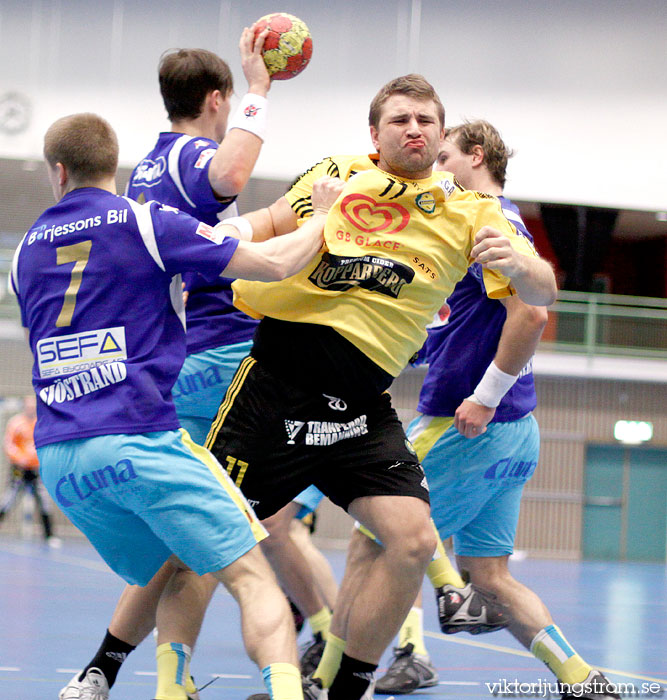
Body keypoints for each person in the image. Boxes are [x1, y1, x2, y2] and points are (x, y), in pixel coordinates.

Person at [204, 74, 558, 700]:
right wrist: (208, 240)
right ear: (375, 133)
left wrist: (523, 264)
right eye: (400, 120)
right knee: (200, 544)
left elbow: (539, 298)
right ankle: (146, 674)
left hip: (362, 404)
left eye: (426, 120)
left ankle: (341, 690)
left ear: (442, 134)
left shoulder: (471, 213)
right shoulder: (336, 175)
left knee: (413, 540)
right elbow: (263, 222)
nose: (414, 129)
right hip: (276, 384)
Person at [10, 112, 343, 700]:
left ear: (57, 172)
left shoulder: (24, 253)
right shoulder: (143, 222)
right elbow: (274, 263)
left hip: (63, 459)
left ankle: (107, 678)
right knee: (251, 572)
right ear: (116, 167)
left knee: (180, 557)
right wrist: (320, 217)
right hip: (136, 436)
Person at [373, 120, 619, 700]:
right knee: (492, 577)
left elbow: (532, 314)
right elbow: (469, 327)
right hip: (516, 432)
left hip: (463, 426)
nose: (435, 164)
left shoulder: (488, 218)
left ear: (476, 156)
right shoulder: (487, 222)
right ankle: (583, 680)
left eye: (446, 154)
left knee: (384, 535)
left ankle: (410, 650)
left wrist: (483, 399)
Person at [1, 394, 60, 547]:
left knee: (44, 499)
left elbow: (48, 444)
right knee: (9, 498)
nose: (30, 408)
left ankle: (49, 535)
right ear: (24, 406)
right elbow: (8, 444)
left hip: (37, 468)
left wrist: (40, 459)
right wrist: (19, 458)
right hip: (19, 468)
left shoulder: (42, 423)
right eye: (28, 406)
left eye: (33, 406)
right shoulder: (15, 423)